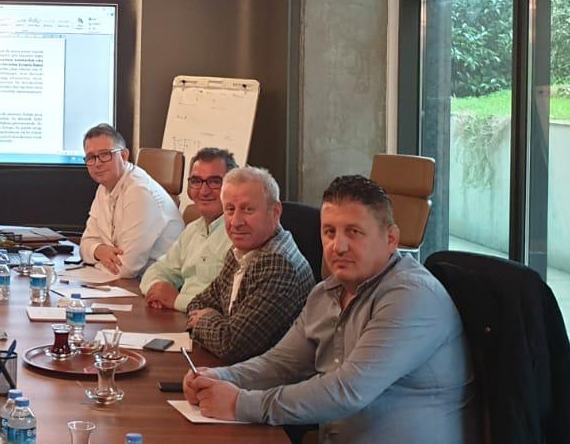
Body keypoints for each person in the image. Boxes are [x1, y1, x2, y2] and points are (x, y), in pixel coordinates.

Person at [183, 175, 477, 444]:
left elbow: (347, 391)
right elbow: (281, 364)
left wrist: (240, 404)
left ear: (391, 239)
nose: (338, 246)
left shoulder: (412, 297)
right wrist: (221, 377)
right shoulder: (325, 293)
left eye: (354, 232)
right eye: (329, 232)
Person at [184, 166, 314, 363]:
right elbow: (198, 303)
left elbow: (230, 345)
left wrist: (205, 320)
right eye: (230, 209)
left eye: (247, 209)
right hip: (232, 369)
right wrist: (219, 324)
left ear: (275, 212)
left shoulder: (278, 265)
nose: (236, 222)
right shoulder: (240, 250)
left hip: (267, 379)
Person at [77, 123, 182, 279]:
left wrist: (95, 259)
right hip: (125, 282)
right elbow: (85, 244)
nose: (97, 163)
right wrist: (99, 250)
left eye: (105, 154)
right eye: (91, 157)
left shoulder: (140, 192)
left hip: (156, 284)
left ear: (124, 156)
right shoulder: (104, 187)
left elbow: (125, 269)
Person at [141, 147, 236, 311]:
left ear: (232, 186)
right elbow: (159, 269)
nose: (204, 191)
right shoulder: (192, 230)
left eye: (214, 182)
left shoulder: (239, 234)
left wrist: (176, 300)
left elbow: (231, 304)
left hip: (211, 322)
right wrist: (156, 290)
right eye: (196, 181)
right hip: (177, 316)